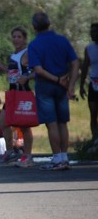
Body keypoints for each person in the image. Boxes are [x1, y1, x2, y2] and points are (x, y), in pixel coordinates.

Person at [28, 11, 79, 171]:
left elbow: (38, 69)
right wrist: (70, 84)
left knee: (52, 122)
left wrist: (55, 79)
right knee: (62, 122)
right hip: (62, 86)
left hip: (45, 86)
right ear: (49, 24)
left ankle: (57, 158)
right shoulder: (62, 40)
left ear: (34, 26)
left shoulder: (34, 44)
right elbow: (76, 63)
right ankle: (64, 156)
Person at [0, 26, 35, 167]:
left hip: (23, 91)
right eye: (14, 37)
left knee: (24, 126)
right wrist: (2, 68)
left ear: (25, 39)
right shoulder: (14, 54)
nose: (16, 39)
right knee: (3, 123)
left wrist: (27, 77)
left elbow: (37, 70)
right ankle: (10, 152)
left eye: (19, 37)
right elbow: (14, 73)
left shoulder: (27, 53)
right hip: (12, 92)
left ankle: (28, 156)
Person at [80, 23, 98, 140]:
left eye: (95, 32)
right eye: (91, 32)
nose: (93, 34)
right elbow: (85, 66)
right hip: (94, 83)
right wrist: (81, 86)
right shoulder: (89, 48)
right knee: (93, 113)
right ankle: (94, 139)